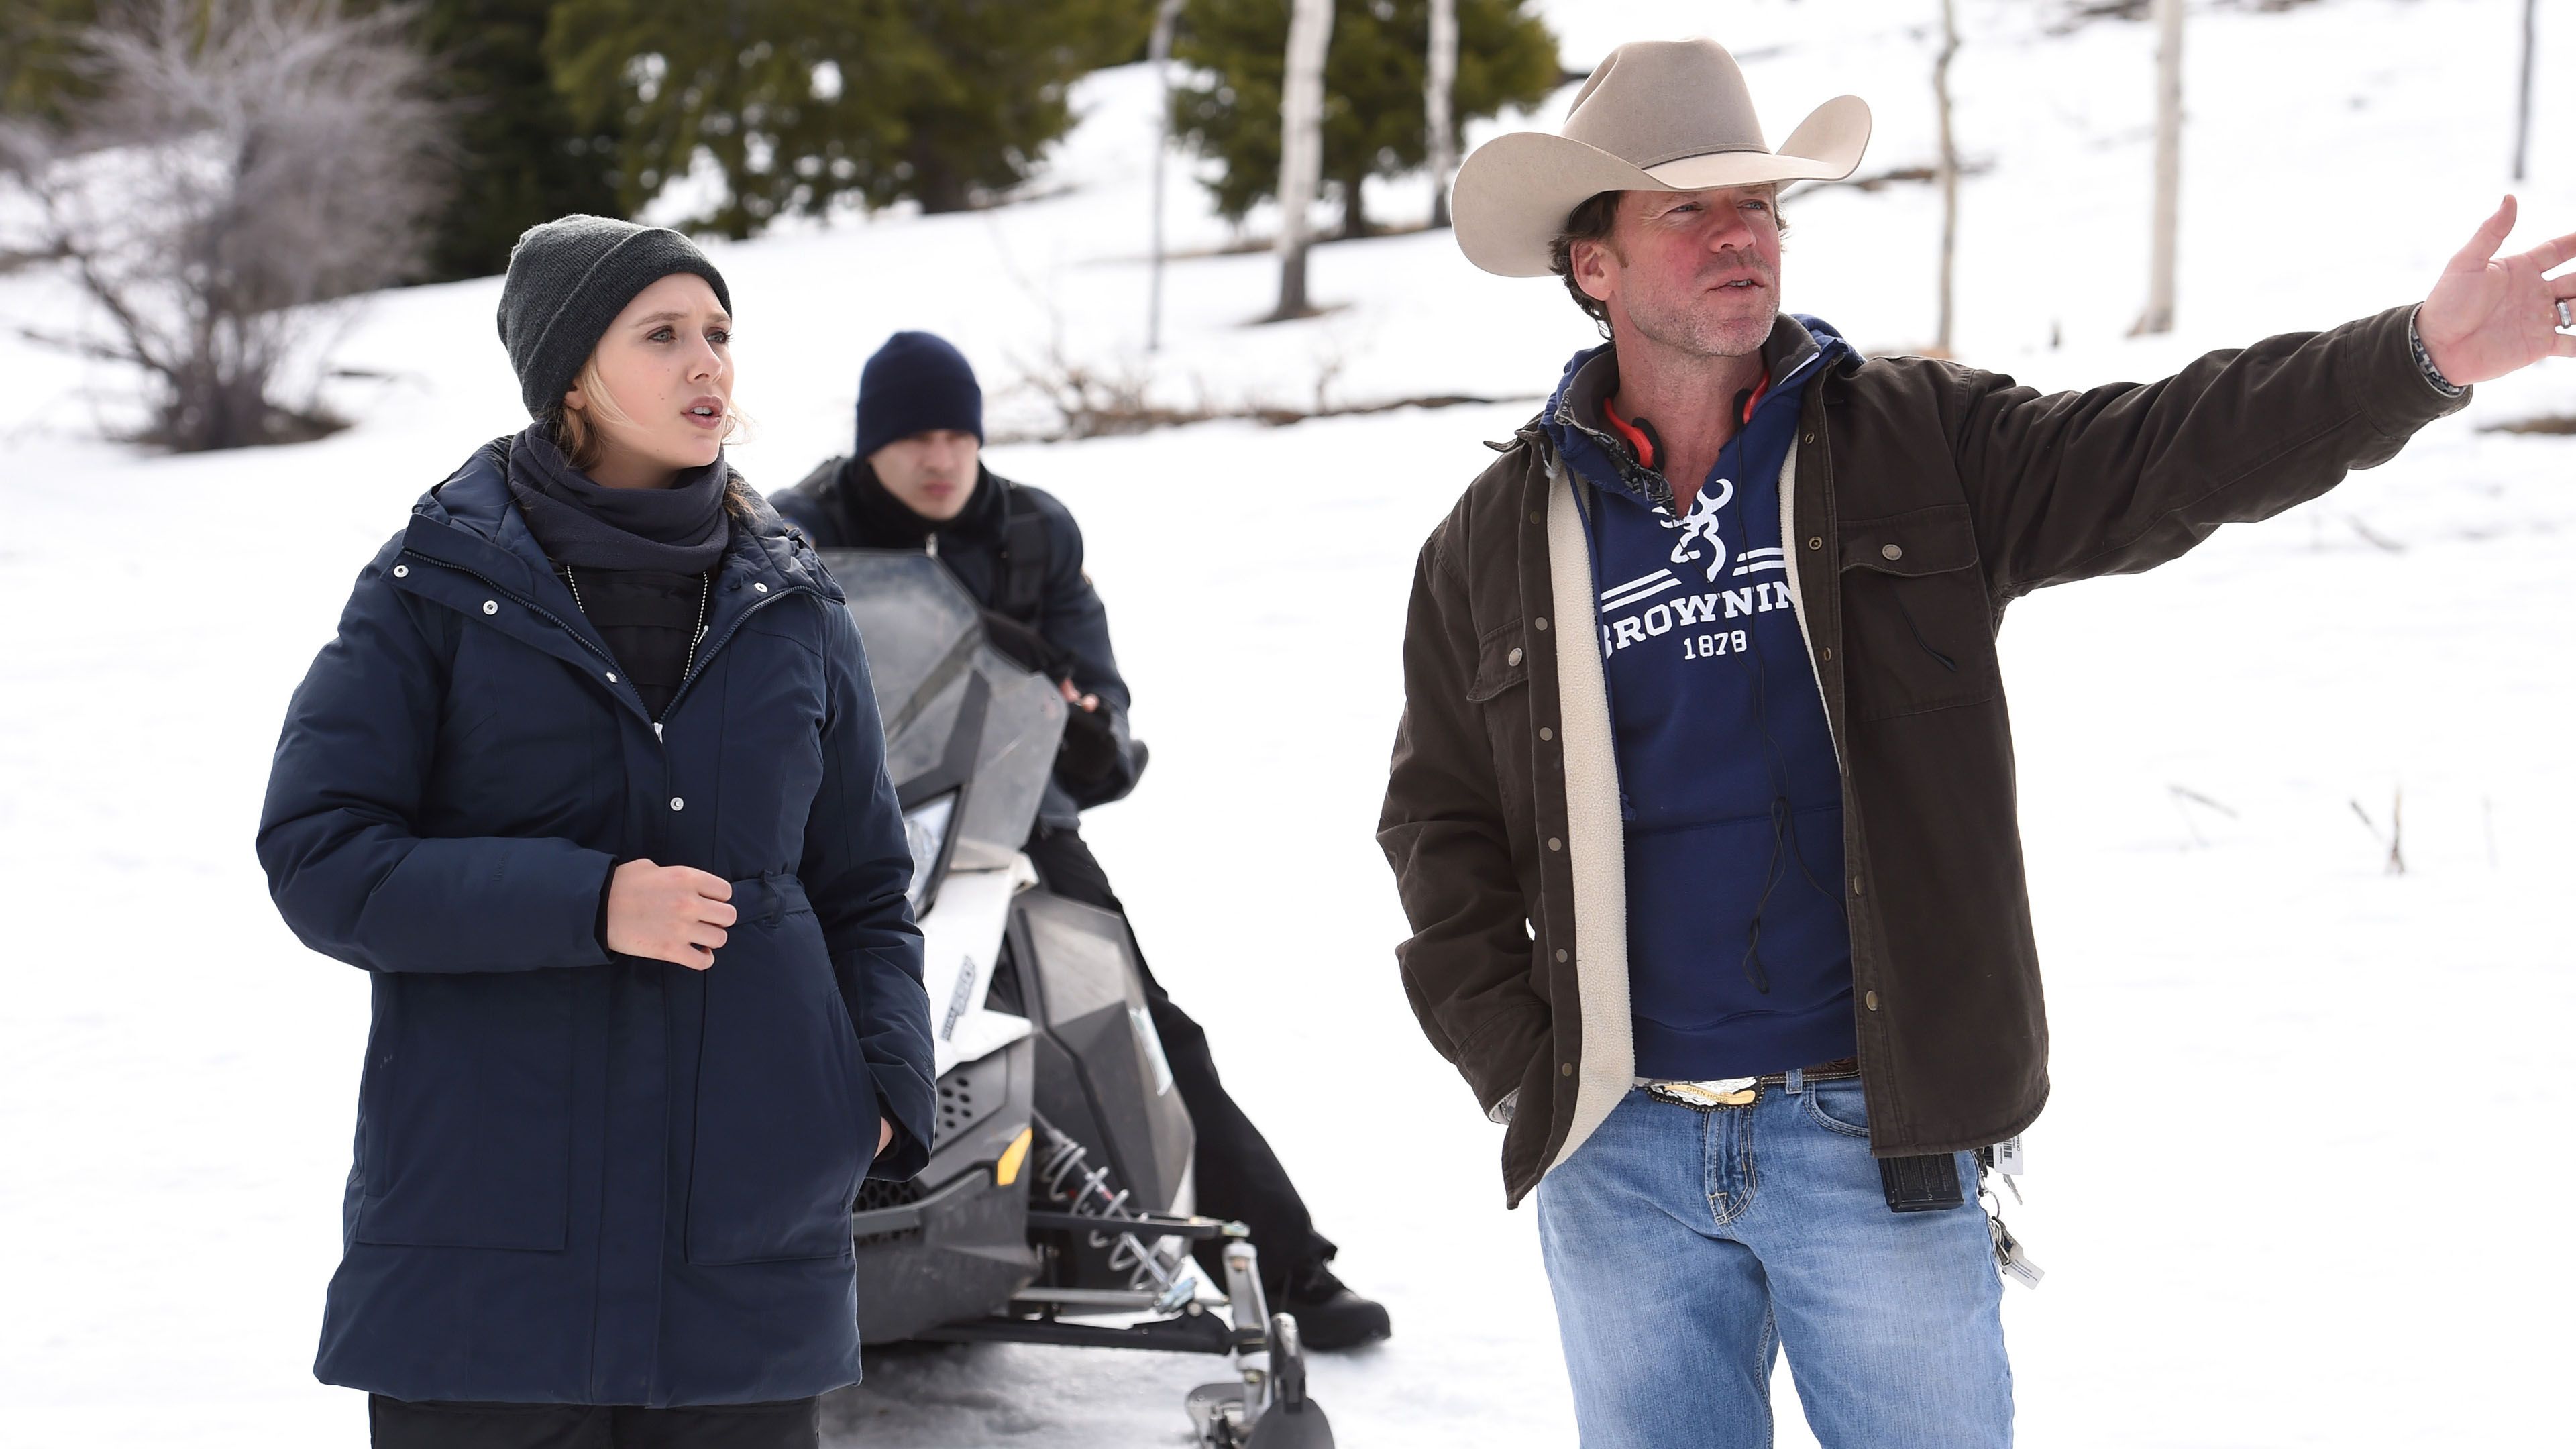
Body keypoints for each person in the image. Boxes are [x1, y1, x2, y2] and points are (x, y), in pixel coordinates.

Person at [1379, 38, 2575, 1448]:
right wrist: (1524, 1069)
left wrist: (2417, 359)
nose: (1741, 236)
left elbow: (2167, 449)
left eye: (1759, 203)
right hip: (1619, 1155)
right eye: (1688, 209)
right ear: (1595, 265)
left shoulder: (1913, 444)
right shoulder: (1497, 541)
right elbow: (1438, 826)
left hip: (1869, 1135)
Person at [256, 215, 935, 1448]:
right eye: (662, 335)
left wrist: (879, 1093)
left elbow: (867, 891)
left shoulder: (795, 603)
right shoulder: (433, 587)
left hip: (746, 1251)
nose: (707, 363)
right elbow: (321, 853)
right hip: (484, 1254)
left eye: (718, 332)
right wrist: (588, 903)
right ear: (571, 374)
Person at [773, 330, 1392, 1350]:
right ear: (869, 445)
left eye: (957, 436)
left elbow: (1102, 698)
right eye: (915, 439)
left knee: (1127, 1015)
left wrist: (1090, 723)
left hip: (1009, 819)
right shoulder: (795, 530)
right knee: (771, 1008)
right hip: (836, 828)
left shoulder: (1031, 532)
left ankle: (1286, 1268)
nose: (940, 459)